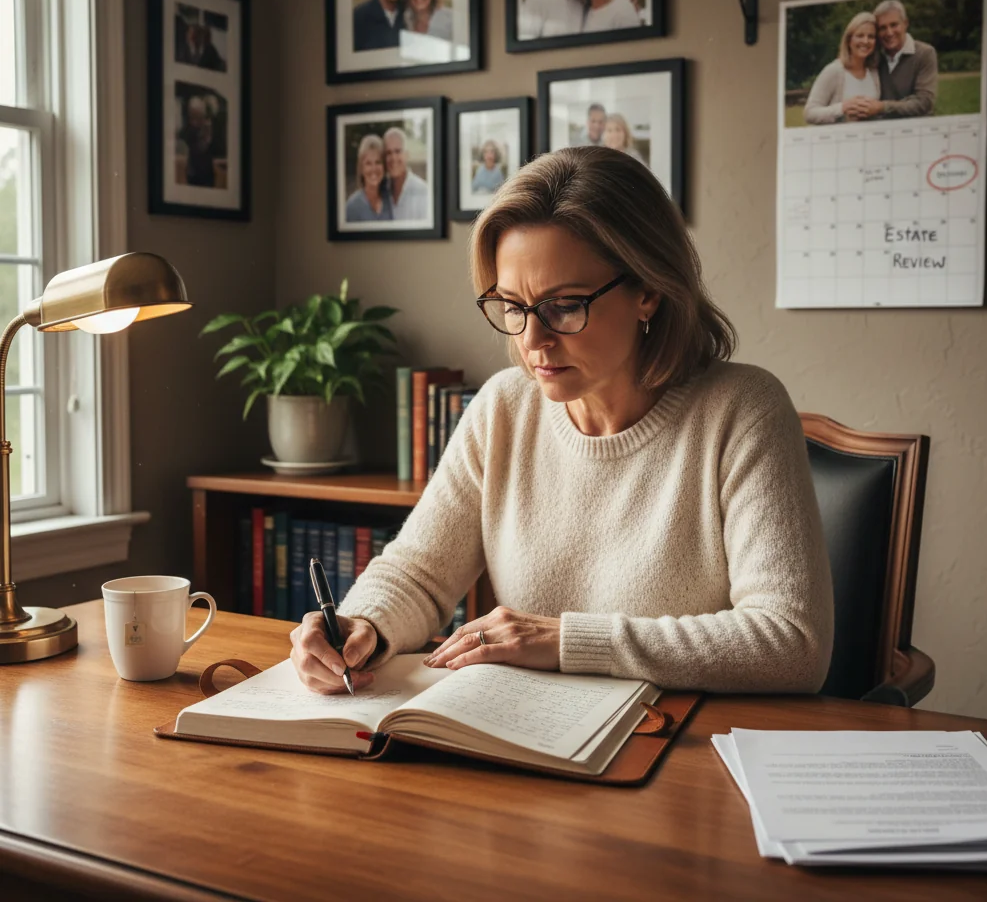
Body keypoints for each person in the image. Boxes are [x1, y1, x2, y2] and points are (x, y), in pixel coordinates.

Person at [290, 146, 834, 696]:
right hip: (531, 737)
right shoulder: (504, 407)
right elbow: (418, 573)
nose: (532, 342)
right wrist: (363, 625)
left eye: (564, 306)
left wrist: (566, 641)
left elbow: (791, 642)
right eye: (513, 306)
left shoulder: (742, 410)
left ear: (647, 290)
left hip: (680, 748)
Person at [854, 0, 938, 120]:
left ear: (905, 23)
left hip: (917, 129)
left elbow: (924, 102)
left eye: (894, 25)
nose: (889, 32)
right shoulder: (873, 56)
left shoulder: (925, 53)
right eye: (882, 28)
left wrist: (883, 107)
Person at [803, 12, 881, 125]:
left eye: (871, 36)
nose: (865, 41)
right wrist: (842, 108)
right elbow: (809, 113)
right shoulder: (834, 71)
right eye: (860, 35)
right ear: (849, 40)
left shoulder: (874, 72)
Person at [383, 127, 429, 221]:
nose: (393, 158)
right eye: (388, 153)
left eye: (397, 151)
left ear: (407, 154)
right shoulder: (381, 191)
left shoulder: (423, 192)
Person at [345, 134, 393, 223]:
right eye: (368, 163)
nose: (373, 168)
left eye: (378, 162)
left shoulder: (391, 201)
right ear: (361, 168)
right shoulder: (352, 207)